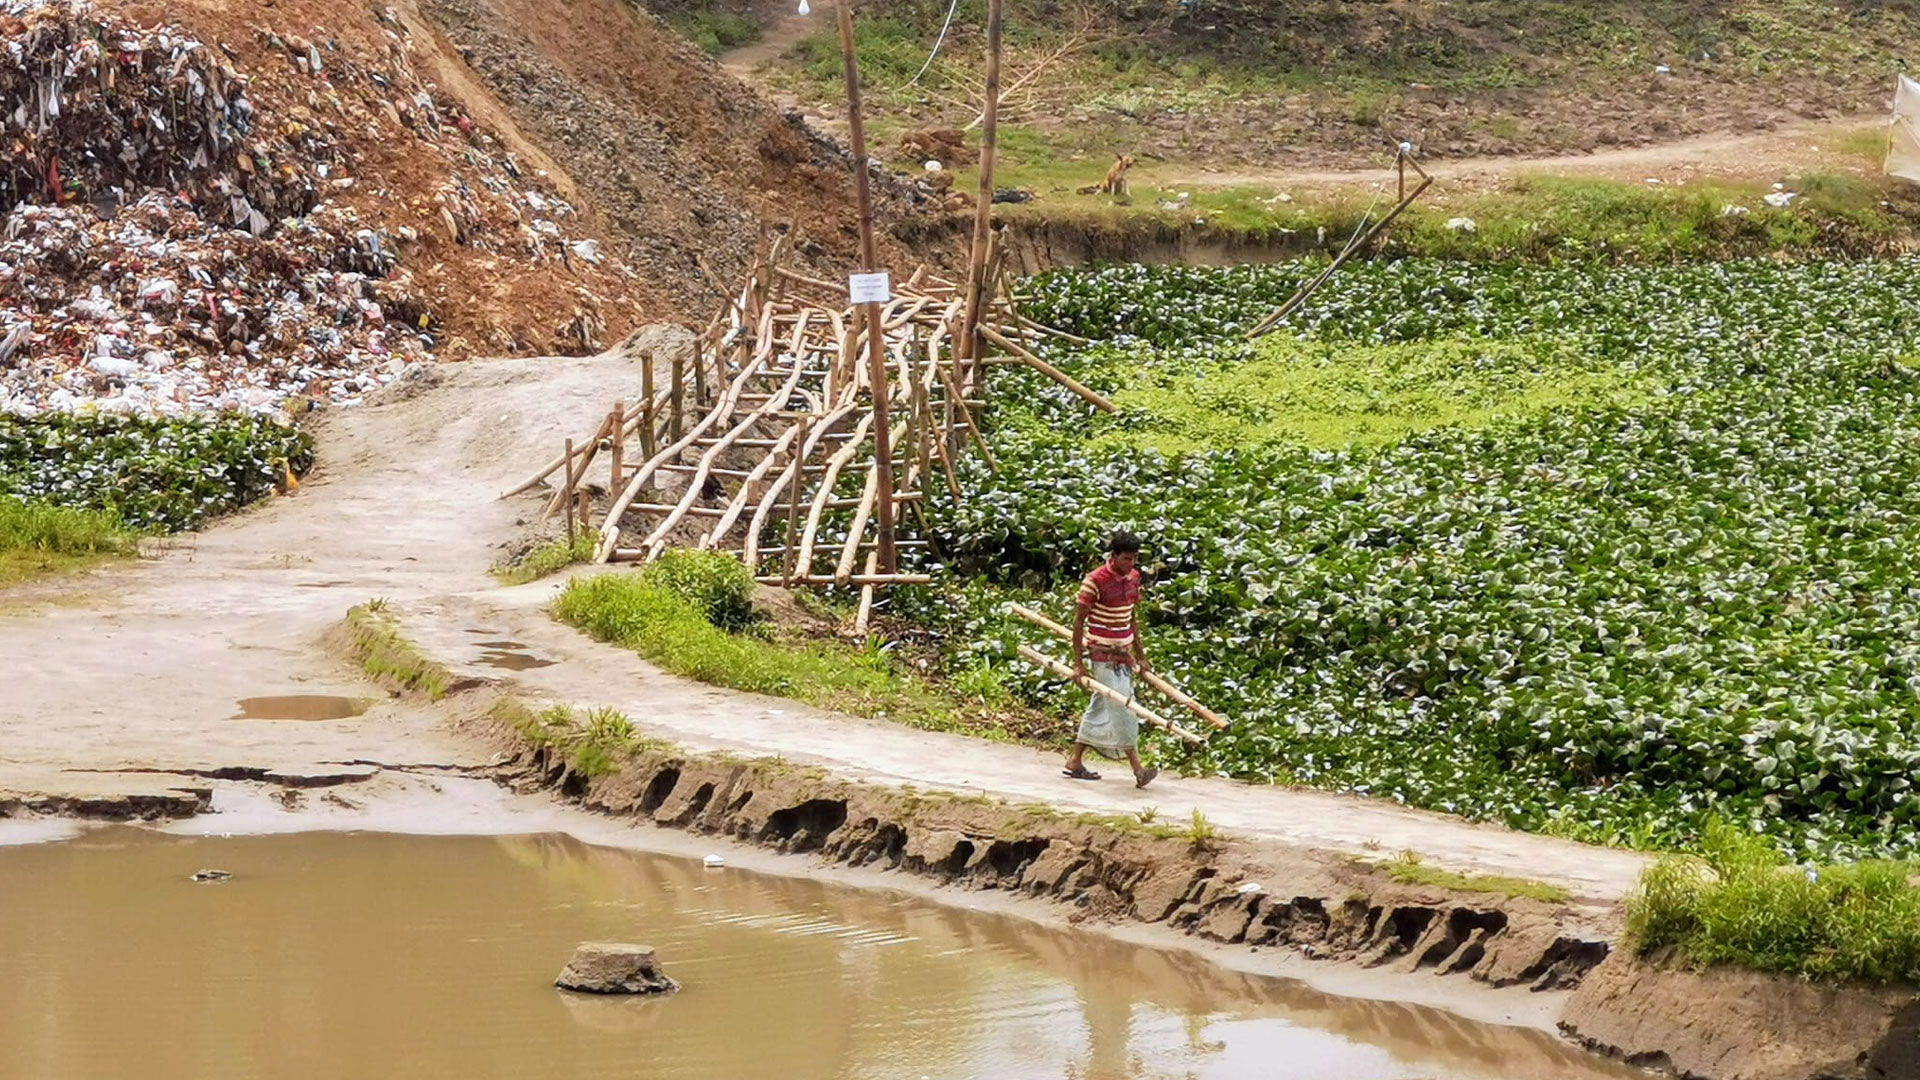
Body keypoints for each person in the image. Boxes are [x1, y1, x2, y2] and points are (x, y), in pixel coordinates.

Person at [1063, 530, 1159, 788]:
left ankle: (1075, 761)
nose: (1132, 564)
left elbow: (1132, 618)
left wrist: (1142, 656)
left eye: (1135, 559)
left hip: (1124, 654)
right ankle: (1138, 769)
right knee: (1124, 706)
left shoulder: (1134, 577)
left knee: (1100, 705)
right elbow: (1079, 622)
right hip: (1102, 654)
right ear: (1114, 556)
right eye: (1127, 559)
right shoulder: (1094, 581)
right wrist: (1079, 664)